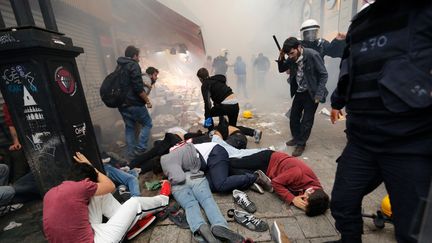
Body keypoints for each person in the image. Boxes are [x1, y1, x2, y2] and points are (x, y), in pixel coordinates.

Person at [328, 1, 432, 243]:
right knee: (342, 202)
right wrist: (336, 102)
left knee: (413, 232)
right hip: (362, 141)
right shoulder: (359, 24)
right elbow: (348, 70)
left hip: (410, 144)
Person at [43, 152, 171, 242]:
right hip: (96, 240)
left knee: (98, 195)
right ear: (87, 181)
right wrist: (91, 167)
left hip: (84, 234)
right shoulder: (81, 187)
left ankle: (128, 224)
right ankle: (164, 199)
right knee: (134, 202)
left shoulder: (50, 193)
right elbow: (110, 186)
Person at [160, 146, 247, 243]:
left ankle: (200, 227)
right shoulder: (177, 152)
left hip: (179, 186)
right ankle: (219, 225)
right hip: (195, 177)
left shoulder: (164, 160)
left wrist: (168, 181)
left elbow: (179, 178)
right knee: (207, 200)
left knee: (190, 205)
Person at [229, 150, 329, 216]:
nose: (302, 204)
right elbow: (276, 183)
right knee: (235, 163)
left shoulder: (317, 191)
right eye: (305, 203)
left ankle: (255, 179)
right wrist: (292, 199)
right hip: (268, 160)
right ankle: (218, 158)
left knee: (236, 171)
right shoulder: (298, 174)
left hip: (269, 173)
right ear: (310, 192)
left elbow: (323, 203)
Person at [277, 37, 328, 157]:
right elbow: (281, 69)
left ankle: (301, 144)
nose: (290, 57)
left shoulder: (312, 55)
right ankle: (296, 138)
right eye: (288, 54)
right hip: (299, 92)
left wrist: (319, 94)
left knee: (306, 120)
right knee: (294, 116)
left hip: (312, 93)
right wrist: (281, 56)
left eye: (292, 53)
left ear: (299, 47)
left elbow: (324, 74)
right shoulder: (291, 57)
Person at [160, 142, 271, 194]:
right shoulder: (169, 158)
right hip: (207, 162)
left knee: (221, 185)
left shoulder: (166, 162)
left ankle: (255, 177)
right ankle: (245, 182)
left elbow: (180, 178)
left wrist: (168, 182)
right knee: (210, 186)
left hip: (214, 153)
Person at [117, 45, 153, 159]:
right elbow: (137, 88)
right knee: (147, 123)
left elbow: (127, 83)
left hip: (122, 104)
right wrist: (147, 101)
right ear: (134, 56)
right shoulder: (133, 65)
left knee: (130, 127)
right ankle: (141, 149)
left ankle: (131, 155)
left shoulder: (119, 66)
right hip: (134, 103)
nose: (139, 59)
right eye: (138, 56)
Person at [2, 104, 30, 182]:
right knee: (18, 155)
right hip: (21, 139)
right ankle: (18, 185)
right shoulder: (8, 104)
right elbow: (11, 125)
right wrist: (16, 142)